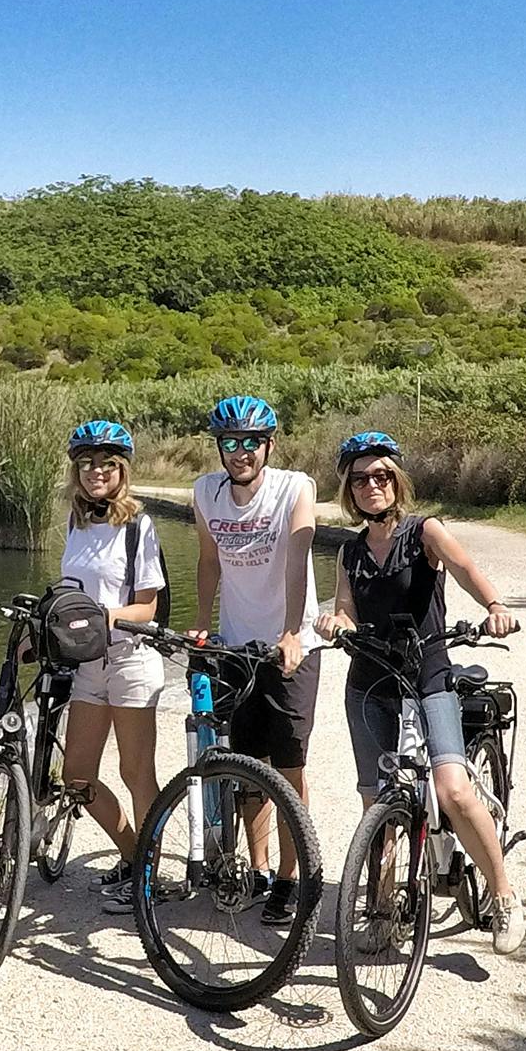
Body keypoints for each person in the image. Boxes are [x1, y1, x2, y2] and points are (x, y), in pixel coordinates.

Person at [315, 431, 526, 955]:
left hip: (428, 676)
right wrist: (334, 623)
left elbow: (465, 569)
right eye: (360, 479)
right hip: (370, 683)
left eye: (381, 475)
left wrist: (495, 606)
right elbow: (346, 610)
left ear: (397, 480)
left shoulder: (424, 532)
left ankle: (503, 894)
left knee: (453, 791)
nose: (371, 485)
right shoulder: (349, 552)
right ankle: (383, 908)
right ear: (349, 490)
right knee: (377, 801)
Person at [190, 394, 322, 926]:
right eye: (230, 443)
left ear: (269, 445)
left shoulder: (295, 487)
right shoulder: (205, 491)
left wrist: (291, 632)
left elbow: (297, 558)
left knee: (289, 768)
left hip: (290, 648)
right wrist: (203, 623)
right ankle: (260, 868)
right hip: (236, 645)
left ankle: (293, 876)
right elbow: (208, 560)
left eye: (251, 442)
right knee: (248, 767)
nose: (240, 452)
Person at [53, 421, 168, 916]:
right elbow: (69, 592)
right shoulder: (76, 524)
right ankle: (135, 856)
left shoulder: (139, 525)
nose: (95, 472)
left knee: (136, 772)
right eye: (86, 464)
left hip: (129, 659)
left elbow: (148, 606)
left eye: (106, 464)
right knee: (77, 776)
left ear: (122, 470)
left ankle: (149, 882)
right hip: (87, 662)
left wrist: (104, 616)